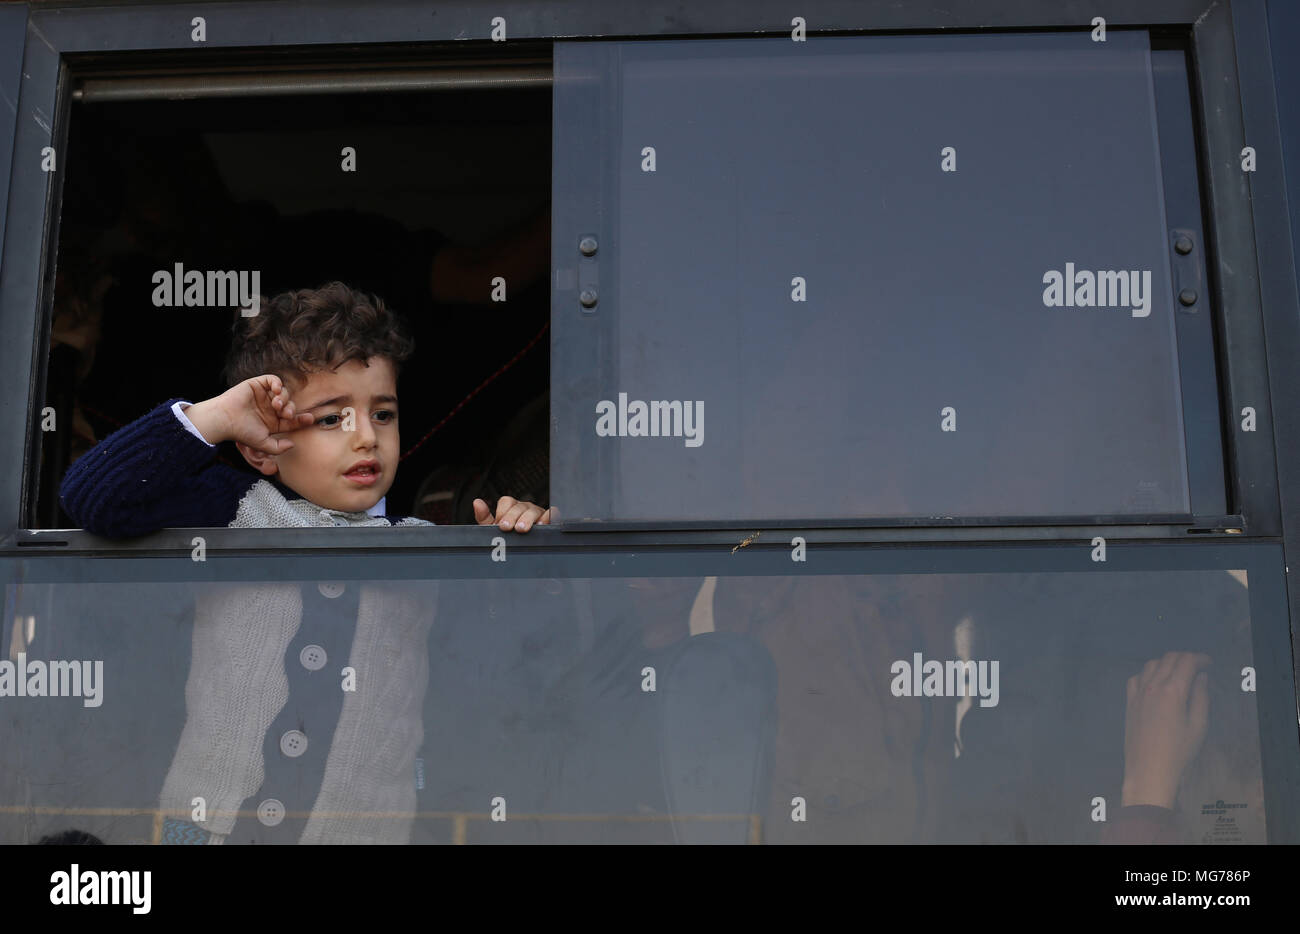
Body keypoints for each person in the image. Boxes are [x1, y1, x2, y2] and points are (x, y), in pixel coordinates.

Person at [58, 282, 549, 843]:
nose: (365, 437)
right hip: (210, 829)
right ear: (261, 444)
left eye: (383, 414)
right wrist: (216, 418)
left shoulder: (425, 551)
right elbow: (92, 496)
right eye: (329, 419)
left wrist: (513, 547)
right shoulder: (235, 509)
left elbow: (501, 669)